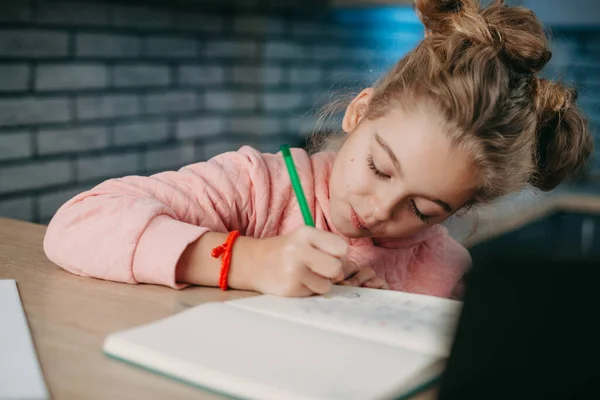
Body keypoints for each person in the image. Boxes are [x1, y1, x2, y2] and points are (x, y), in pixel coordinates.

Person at [43, 0, 593, 298]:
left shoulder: (447, 273)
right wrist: (247, 259)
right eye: (379, 167)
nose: (380, 210)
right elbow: (79, 222)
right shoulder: (258, 186)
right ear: (359, 111)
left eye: (423, 210)